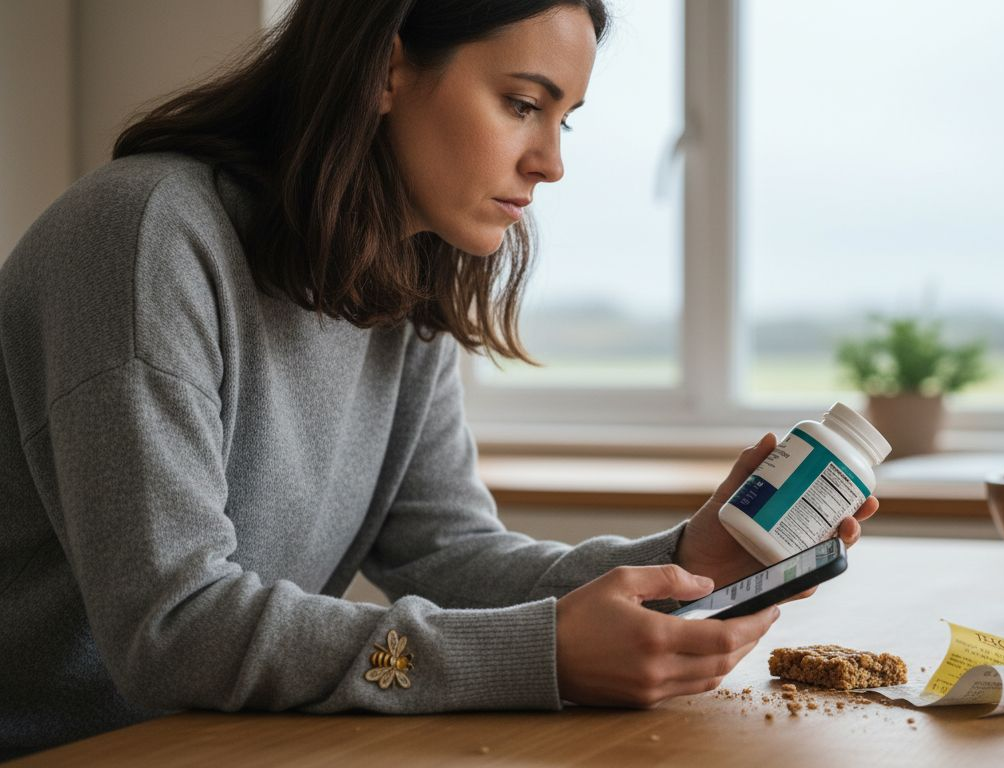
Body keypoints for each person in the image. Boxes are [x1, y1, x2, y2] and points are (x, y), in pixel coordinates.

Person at [0, 0, 878, 757]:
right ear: (387, 70)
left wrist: (686, 560)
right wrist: (542, 653)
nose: (551, 163)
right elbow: (175, 627)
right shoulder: (144, 236)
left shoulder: (400, 282)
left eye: (562, 119)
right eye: (522, 104)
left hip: (216, 744)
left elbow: (449, 553)